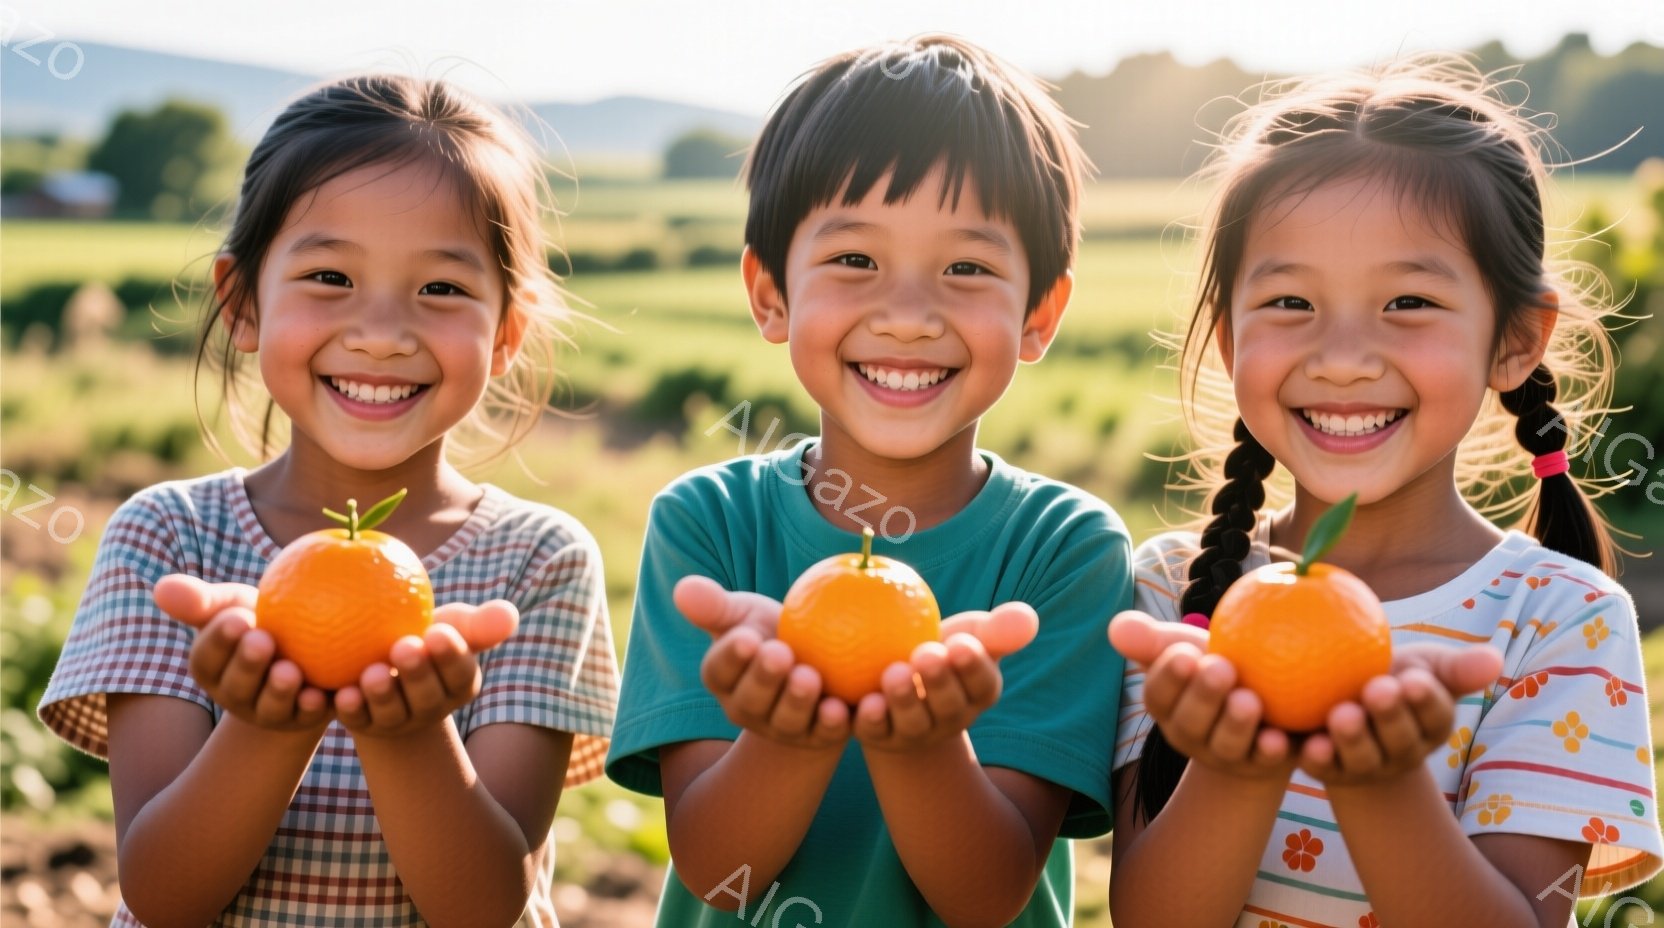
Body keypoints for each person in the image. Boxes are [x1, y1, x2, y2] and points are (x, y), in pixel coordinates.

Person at [38, 74, 619, 927]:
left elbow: (486, 906)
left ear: (506, 335)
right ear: (241, 303)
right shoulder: (168, 538)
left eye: (443, 288)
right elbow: (162, 893)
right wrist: (267, 723)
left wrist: (408, 733)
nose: (381, 332)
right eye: (329, 276)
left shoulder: (539, 561)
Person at [1107, 56, 1663, 928]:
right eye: (1290, 301)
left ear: (1516, 340)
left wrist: (1381, 784)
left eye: (1407, 300)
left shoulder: (1562, 618)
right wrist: (1237, 762)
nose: (1342, 356)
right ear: (1229, 338)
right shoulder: (1177, 594)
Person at [605, 35, 1132, 927]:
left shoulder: (1065, 551)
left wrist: (922, 745)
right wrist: (787, 733)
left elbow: (986, 894)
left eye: (967, 267)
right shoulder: (707, 526)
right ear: (769, 293)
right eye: (855, 260)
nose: (909, 315)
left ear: (1040, 314)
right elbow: (712, 866)